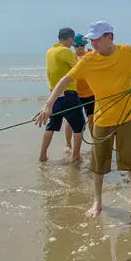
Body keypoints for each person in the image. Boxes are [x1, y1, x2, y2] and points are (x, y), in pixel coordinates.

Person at [35, 21, 131, 217]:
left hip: (127, 117)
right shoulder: (88, 60)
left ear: (110, 38)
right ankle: (97, 202)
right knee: (98, 165)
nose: (93, 43)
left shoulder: (127, 52)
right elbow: (65, 80)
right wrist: (48, 104)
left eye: (97, 39)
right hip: (101, 119)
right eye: (91, 40)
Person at [41, 27, 87, 163]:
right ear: (70, 39)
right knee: (79, 125)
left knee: (52, 125)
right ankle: (76, 156)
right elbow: (79, 67)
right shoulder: (65, 51)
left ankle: (42, 155)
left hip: (55, 95)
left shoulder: (50, 51)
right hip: (69, 94)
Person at [64, 33, 95, 153]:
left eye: (82, 45)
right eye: (77, 46)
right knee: (70, 120)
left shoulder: (90, 54)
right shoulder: (71, 57)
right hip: (75, 93)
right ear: (74, 47)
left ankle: (93, 141)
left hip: (89, 93)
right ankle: (68, 145)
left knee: (91, 119)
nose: (80, 48)